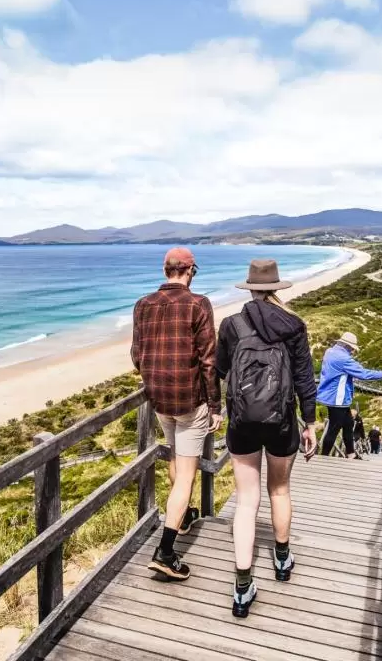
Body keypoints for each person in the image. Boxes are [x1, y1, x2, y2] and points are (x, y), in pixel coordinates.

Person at [216, 259, 318, 618]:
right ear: (276, 288)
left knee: (246, 501)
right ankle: (282, 558)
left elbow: (219, 371)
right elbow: (305, 378)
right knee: (280, 491)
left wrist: (217, 409)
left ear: (250, 288)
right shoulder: (293, 325)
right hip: (282, 423)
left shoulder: (231, 324)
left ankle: (242, 586)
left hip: (242, 423)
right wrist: (310, 423)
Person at [131, 247, 221, 581]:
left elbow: (137, 355)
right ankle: (166, 551)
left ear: (165, 269)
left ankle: (180, 518)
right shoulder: (199, 304)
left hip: (160, 400)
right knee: (186, 474)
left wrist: (154, 379)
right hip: (190, 402)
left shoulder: (143, 304)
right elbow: (208, 361)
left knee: (175, 459)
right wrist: (215, 406)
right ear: (191, 271)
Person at [317, 332, 382, 458]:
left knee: (349, 423)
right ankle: (323, 457)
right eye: (351, 348)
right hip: (337, 398)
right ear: (347, 346)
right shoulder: (344, 359)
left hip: (330, 394)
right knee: (333, 428)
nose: (352, 351)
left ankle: (351, 454)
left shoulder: (330, 352)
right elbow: (363, 374)